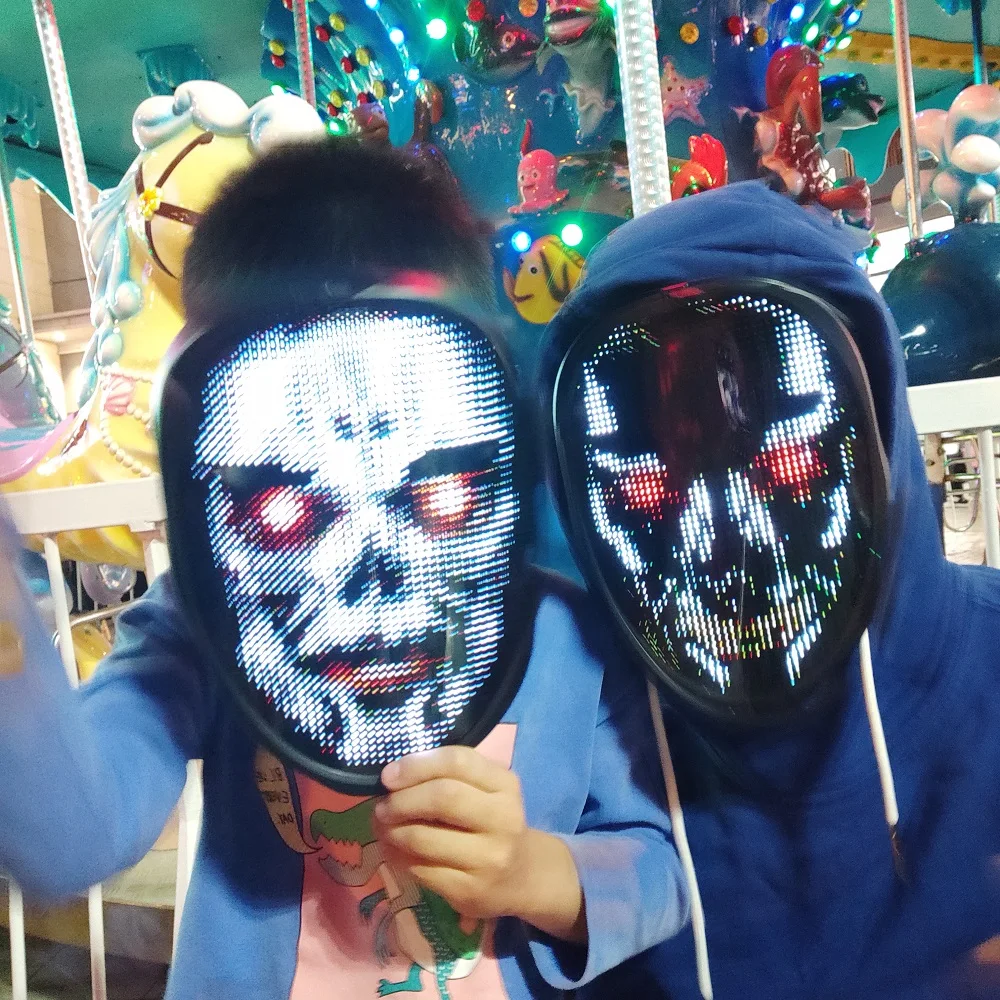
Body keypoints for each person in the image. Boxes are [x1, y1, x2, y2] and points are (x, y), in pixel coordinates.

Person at [0, 138, 689, 1000]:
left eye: (437, 496)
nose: (373, 576)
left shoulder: (571, 636)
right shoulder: (204, 620)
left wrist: (533, 873)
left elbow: (664, 869)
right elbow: (71, 834)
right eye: (286, 512)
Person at [540, 180, 1000, 1000]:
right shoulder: (577, 753)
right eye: (652, 491)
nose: (726, 545)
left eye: (785, 466)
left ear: (878, 424)